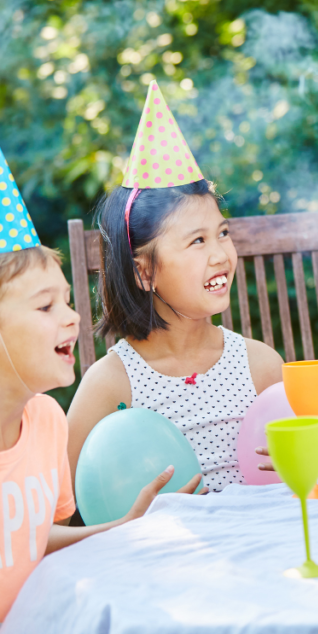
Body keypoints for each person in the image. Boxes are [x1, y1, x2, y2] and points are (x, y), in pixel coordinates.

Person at [67, 82, 318, 492]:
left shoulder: (260, 366)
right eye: (197, 241)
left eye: (223, 233)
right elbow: (66, 508)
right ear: (144, 273)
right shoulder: (111, 384)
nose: (221, 254)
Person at [0, 148, 194, 622]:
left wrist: (124, 526)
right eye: (46, 306)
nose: (72, 318)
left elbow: (33, 540)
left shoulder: (46, 421)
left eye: (67, 301)